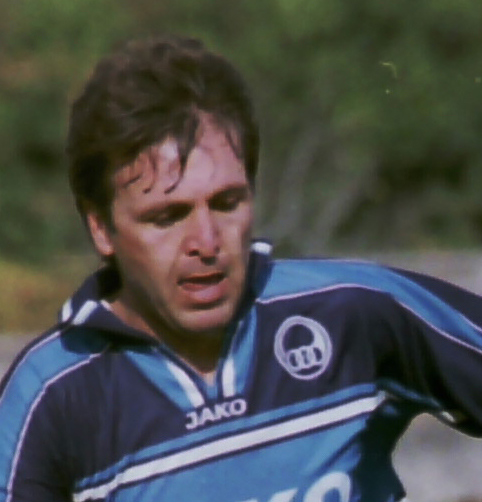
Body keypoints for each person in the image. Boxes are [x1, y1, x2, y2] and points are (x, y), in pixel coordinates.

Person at [0, 34, 481, 502]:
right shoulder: (50, 396)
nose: (207, 242)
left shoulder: (351, 311)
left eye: (227, 203)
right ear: (101, 228)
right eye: (167, 217)